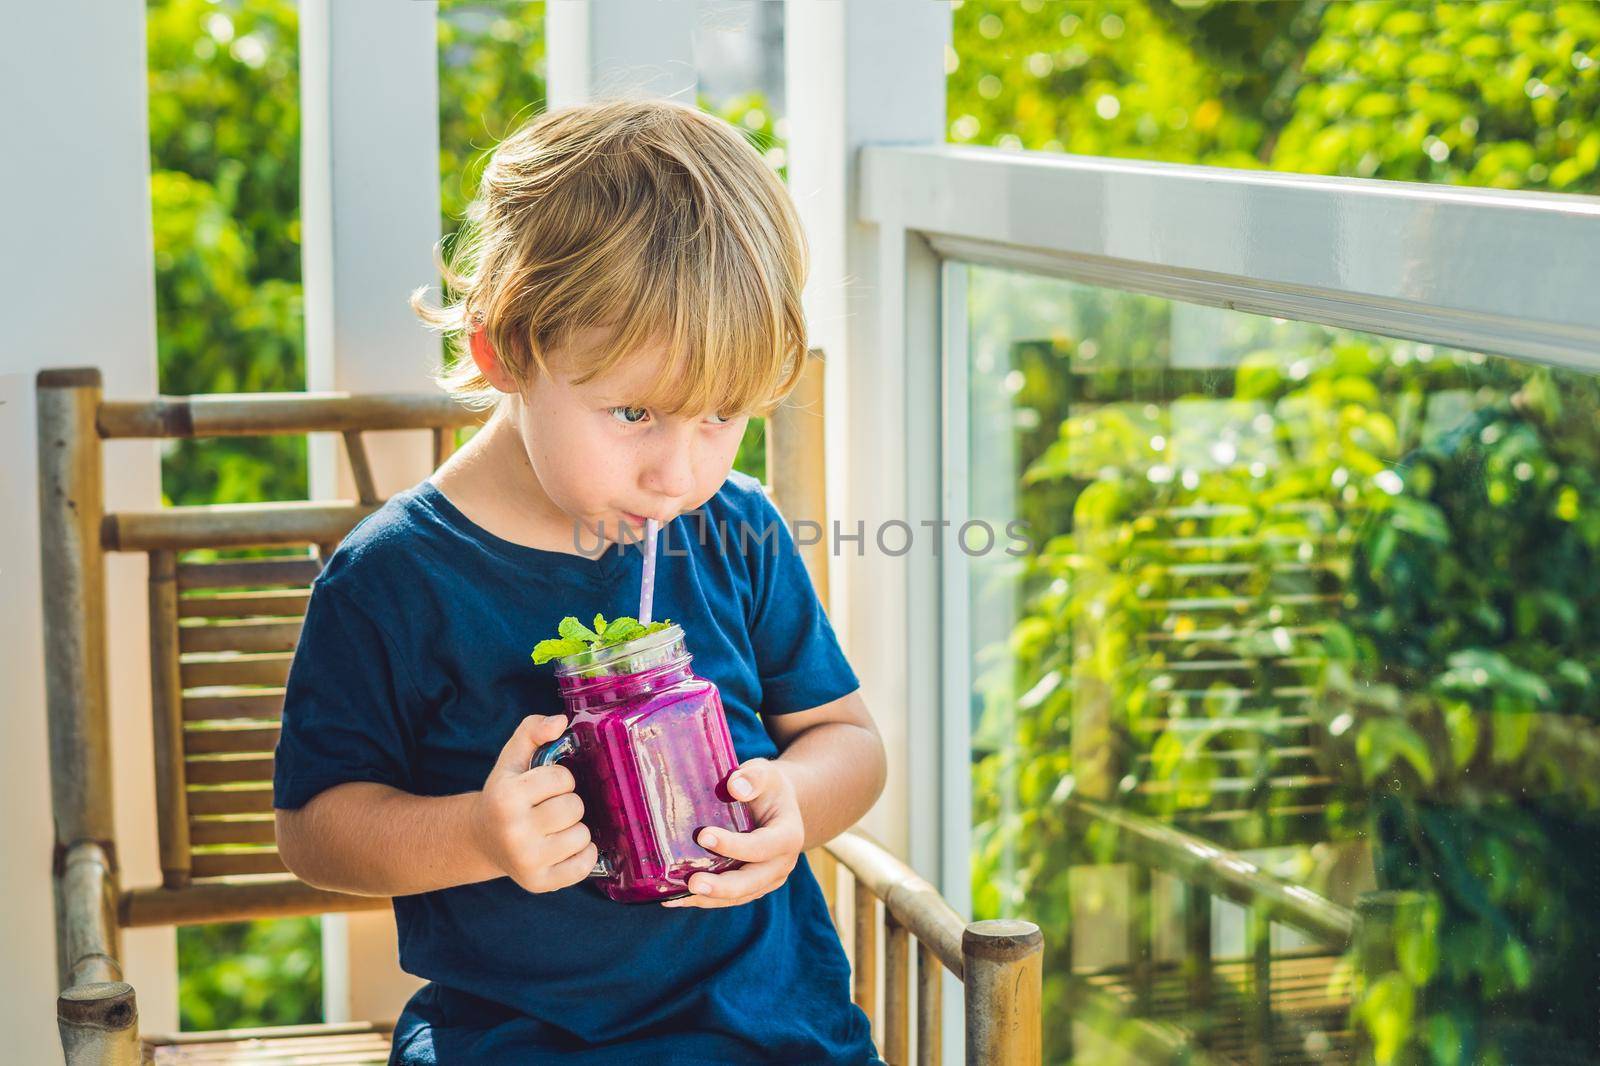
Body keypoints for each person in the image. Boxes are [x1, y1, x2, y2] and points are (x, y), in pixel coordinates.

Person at [272, 97, 889, 1064]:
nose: (679, 475)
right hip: (522, 1039)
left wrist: (797, 803)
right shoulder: (391, 581)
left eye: (723, 416)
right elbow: (315, 830)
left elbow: (846, 739)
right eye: (635, 412)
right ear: (505, 350)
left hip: (767, 1028)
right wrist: (478, 835)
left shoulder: (734, 532)